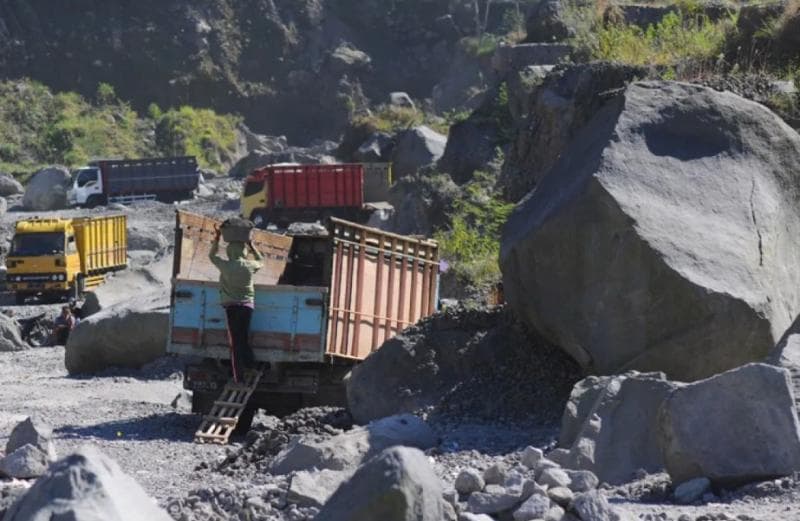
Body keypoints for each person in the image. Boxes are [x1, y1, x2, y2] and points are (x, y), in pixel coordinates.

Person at [209, 229, 264, 383]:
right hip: (247, 306)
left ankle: (238, 377)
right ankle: (251, 365)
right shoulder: (250, 265)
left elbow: (212, 256)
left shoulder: (225, 266)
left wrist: (217, 238)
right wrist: (252, 246)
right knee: (244, 338)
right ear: (244, 251)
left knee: (235, 342)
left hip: (231, 308)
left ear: (229, 251)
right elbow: (261, 260)